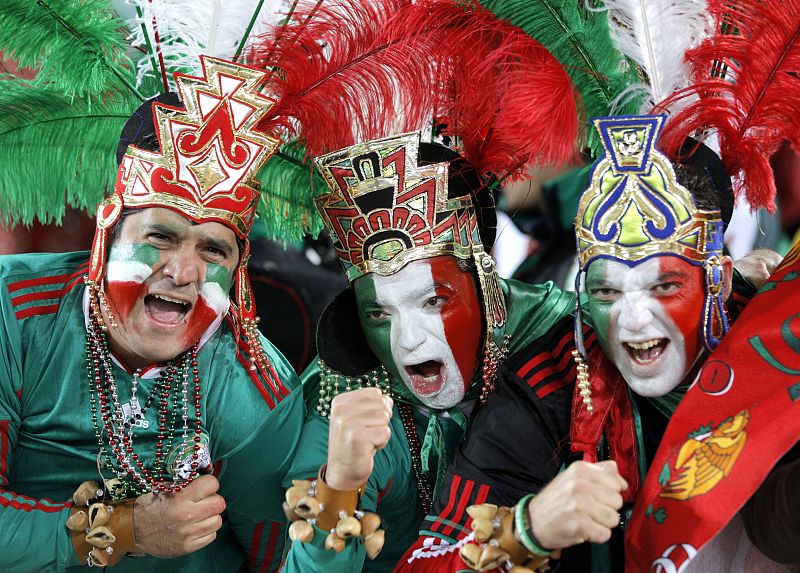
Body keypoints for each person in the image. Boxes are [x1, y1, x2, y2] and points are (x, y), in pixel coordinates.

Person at [392, 115, 773, 573]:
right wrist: (525, 532)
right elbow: (426, 561)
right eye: (607, 292)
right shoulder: (550, 383)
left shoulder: (778, 341)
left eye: (664, 287)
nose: (632, 321)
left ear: (721, 279)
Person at [0, 57, 306, 572]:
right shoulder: (14, 312)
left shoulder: (254, 385)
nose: (185, 272)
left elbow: (284, 559)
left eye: (214, 251)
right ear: (105, 236)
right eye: (160, 238)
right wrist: (125, 529)